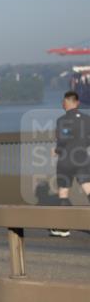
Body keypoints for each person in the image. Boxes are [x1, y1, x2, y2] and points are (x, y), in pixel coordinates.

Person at [50, 91, 90, 237]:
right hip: (82, 158)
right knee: (88, 189)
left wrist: (56, 150)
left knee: (63, 192)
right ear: (78, 102)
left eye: (63, 101)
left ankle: (63, 228)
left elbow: (62, 139)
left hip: (66, 160)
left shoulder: (62, 120)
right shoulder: (87, 119)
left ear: (66, 103)